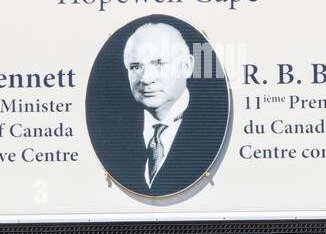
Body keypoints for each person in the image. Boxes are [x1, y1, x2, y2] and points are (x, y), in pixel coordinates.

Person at [92, 21, 228, 196]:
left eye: (159, 63)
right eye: (135, 67)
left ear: (186, 66)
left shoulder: (214, 127)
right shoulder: (111, 135)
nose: (146, 78)